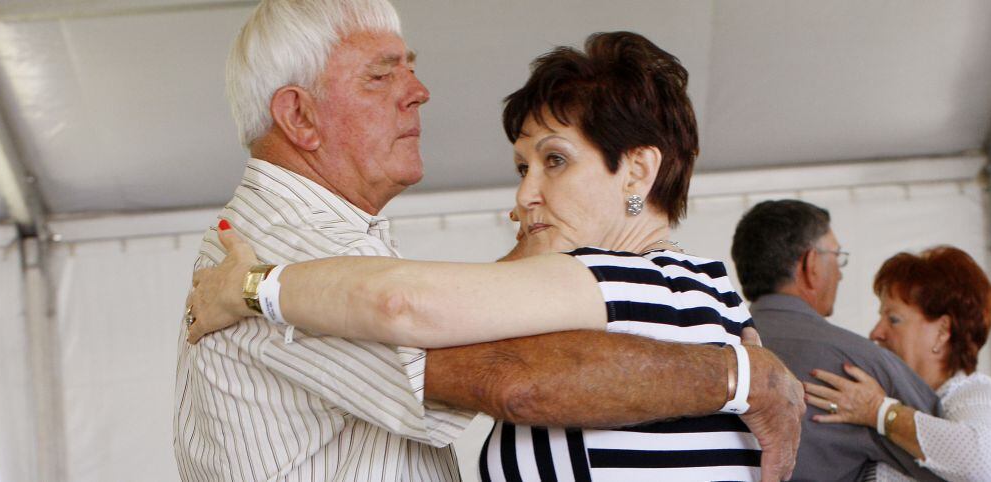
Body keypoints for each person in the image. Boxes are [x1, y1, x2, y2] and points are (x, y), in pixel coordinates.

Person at [175, 3, 805, 481]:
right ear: (300, 117)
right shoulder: (285, 243)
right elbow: (511, 375)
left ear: (638, 172)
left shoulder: (276, 262)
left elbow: (432, 316)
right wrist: (743, 373)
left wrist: (255, 290)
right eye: (381, 76)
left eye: (555, 162)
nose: (418, 92)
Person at [730, 199, 944, 482]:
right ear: (811, 264)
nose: (841, 272)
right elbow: (958, 468)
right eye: (837, 255)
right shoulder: (862, 365)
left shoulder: (709, 353)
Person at [804, 246, 991, 481]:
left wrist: (880, 411)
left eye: (893, 319)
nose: (876, 332)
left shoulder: (974, 392)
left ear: (942, 331)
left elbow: (981, 462)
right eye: (880, 317)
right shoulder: (886, 397)